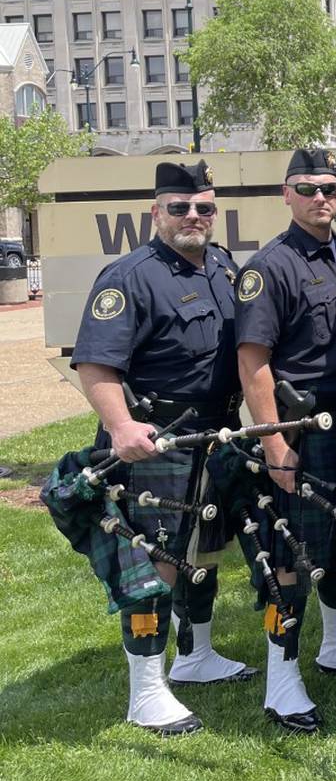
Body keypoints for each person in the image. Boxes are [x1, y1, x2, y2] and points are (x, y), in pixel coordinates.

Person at [72, 160, 253, 735]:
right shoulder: (128, 276)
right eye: (179, 207)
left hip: (217, 434)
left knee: (200, 550)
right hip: (158, 441)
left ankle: (196, 656)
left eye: (203, 206)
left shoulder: (222, 266)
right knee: (156, 564)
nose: (192, 217)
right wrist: (123, 429)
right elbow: (96, 364)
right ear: (157, 212)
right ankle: (145, 691)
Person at [235, 148, 336, 733]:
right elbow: (254, 363)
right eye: (308, 188)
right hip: (299, 432)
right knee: (290, 560)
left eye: (330, 188)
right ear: (286, 194)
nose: (321, 198)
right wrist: (273, 444)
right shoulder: (271, 266)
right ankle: (280, 681)